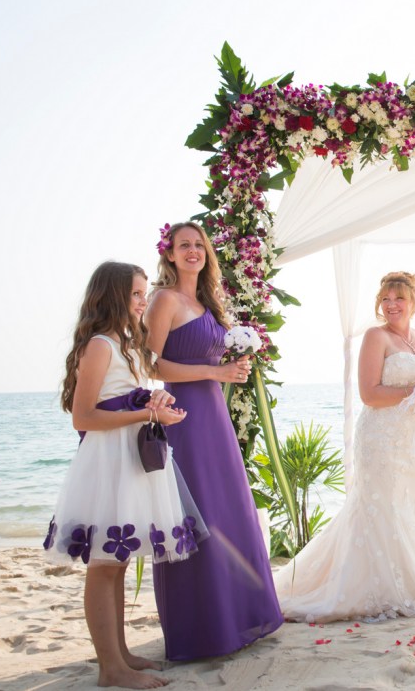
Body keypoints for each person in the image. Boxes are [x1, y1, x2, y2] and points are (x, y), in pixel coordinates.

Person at [45, 261, 196, 689]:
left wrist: (155, 401)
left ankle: (121, 653)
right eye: (135, 294)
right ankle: (110, 667)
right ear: (113, 295)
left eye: (144, 293)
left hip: (132, 457)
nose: (143, 301)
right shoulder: (99, 346)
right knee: (104, 564)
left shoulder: (127, 347)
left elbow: (124, 399)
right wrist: (145, 411)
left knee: (120, 557)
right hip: (108, 461)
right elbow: (83, 417)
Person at [145, 222, 283, 660]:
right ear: (169, 254)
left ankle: (239, 618)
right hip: (182, 416)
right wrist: (213, 372)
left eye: (199, 245)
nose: (193, 251)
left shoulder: (206, 300)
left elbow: (208, 359)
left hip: (214, 416)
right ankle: (201, 630)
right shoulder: (164, 299)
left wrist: (231, 369)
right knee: (195, 512)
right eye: (183, 245)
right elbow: (150, 365)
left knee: (227, 510)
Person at [275, 271, 415, 621]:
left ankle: (404, 584)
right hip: (379, 439)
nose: (391, 305)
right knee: (378, 506)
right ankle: (372, 589)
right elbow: (369, 393)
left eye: (398, 298)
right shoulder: (375, 336)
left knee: (402, 506)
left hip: (409, 443)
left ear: (413, 302)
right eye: (385, 298)